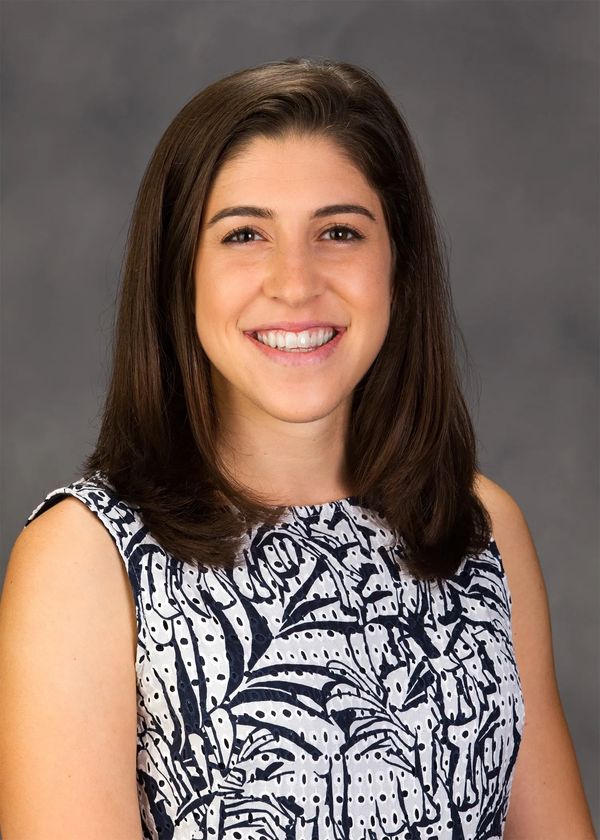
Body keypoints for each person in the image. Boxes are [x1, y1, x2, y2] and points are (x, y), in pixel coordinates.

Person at [0, 57, 594, 840]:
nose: (295, 282)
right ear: (180, 275)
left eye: (339, 232)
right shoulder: (83, 561)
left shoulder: (482, 530)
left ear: (399, 266)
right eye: (244, 234)